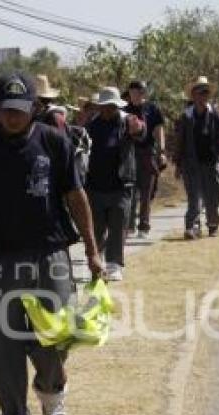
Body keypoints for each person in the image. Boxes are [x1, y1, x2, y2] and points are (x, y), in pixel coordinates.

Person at [0, 72, 104, 415]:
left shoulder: (55, 142)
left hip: (49, 254)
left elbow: (76, 196)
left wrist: (91, 249)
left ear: (35, 108)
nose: (14, 117)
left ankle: (51, 387)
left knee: (55, 336)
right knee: (1, 342)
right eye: (7, 109)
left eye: (21, 110)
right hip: (0, 259)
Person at [84, 86, 145, 281]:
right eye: (104, 107)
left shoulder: (127, 121)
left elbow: (141, 133)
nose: (108, 110)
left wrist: (140, 129)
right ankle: (98, 261)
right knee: (98, 227)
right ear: (100, 107)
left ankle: (114, 264)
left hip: (121, 184)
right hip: (96, 185)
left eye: (111, 106)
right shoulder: (92, 125)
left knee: (118, 225)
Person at [173, 76, 219, 239]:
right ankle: (192, 227)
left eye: (205, 92)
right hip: (191, 163)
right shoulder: (185, 117)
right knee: (193, 198)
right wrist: (178, 163)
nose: (202, 95)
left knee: (212, 197)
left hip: (211, 163)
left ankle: (212, 225)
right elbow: (180, 140)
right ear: (193, 95)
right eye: (199, 92)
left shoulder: (216, 116)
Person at [124, 80, 166, 239]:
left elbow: (159, 129)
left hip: (148, 152)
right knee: (130, 190)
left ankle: (144, 225)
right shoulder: (124, 109)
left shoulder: (152, 108)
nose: (135, 94)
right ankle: (129, 225)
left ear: (143, 92)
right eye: (132, 91)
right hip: (130, 153)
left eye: (139, 91)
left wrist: (162, 151)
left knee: (147, 190)